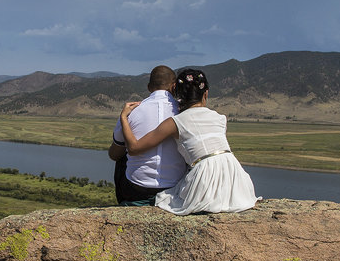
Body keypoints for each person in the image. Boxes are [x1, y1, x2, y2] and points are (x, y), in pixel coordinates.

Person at [119, 67, 257, 214]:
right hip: (236, 177)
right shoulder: (220, 118)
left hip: (204, 178)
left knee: (165, 198)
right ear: (206, 94)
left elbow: (134, 148)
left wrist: (123, 118)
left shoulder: (176, 122)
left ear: (176, 92)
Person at [107, 66, 186, 206]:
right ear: (174, 86)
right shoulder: (184, 111)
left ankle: (127, 204)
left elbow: (114, 154)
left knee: (121, 155)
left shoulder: (132, 111)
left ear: (149, 87)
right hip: (175, 186)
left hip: (137, 188)